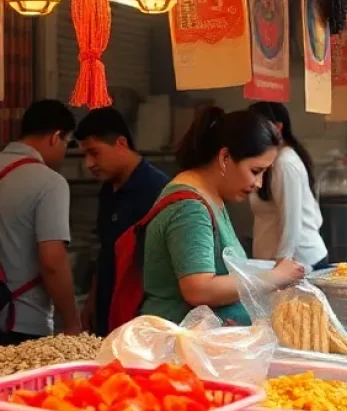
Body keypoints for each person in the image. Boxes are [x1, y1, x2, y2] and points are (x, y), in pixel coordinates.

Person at [142, 107, 304, 325]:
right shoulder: (189, 207)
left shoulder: (209, 197)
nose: (259, 184)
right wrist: (276, 277)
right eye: (256, 171)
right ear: (225, 157)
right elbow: (199, 289)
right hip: (180, 348)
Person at [75, 107, 169, 336]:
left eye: (94, 153)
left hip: (143, 314)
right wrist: (92, 301)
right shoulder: (108, 190)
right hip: (108, 307)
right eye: (84, 155)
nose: (89, 163)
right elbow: (105, 249)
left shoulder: (158, 190)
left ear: (121, 144)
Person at [0, 100, 81, 343]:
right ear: (56, 137)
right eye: (67, 143)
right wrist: (72, 324)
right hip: (21, 320)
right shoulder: (49, 182)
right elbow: (52, 261)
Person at [249, 102, 328, 270]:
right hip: (275, 263)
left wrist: (282, 265)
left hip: (299, 263)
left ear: (278, 127)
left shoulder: (285, 163)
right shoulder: (273, 160)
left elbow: (291, 220)